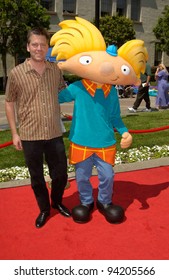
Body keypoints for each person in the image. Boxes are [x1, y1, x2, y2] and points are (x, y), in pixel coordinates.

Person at [50, 17, 148, 224]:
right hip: (81, 141)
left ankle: (104, 201)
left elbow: (114, 116)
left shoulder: (111, 92)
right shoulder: (77, 87)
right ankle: (86, 202)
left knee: (108, 176)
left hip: (104, 142)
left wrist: (124, 131)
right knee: (82, 177)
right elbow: (56, 98)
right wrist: (50, 80)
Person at [5, 27, 71, 228]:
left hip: (53, 132)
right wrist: (15, 133)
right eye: (35, 44)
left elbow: (66, 93)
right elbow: (9, 102)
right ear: (28, 47)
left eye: (43, 44)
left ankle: (57, 201)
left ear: (47, 47)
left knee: (60, 173)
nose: (39, 48)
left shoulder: (55, 71)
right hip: (29, 134)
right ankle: (44, 209)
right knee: (36, 177)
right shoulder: (16, 73)